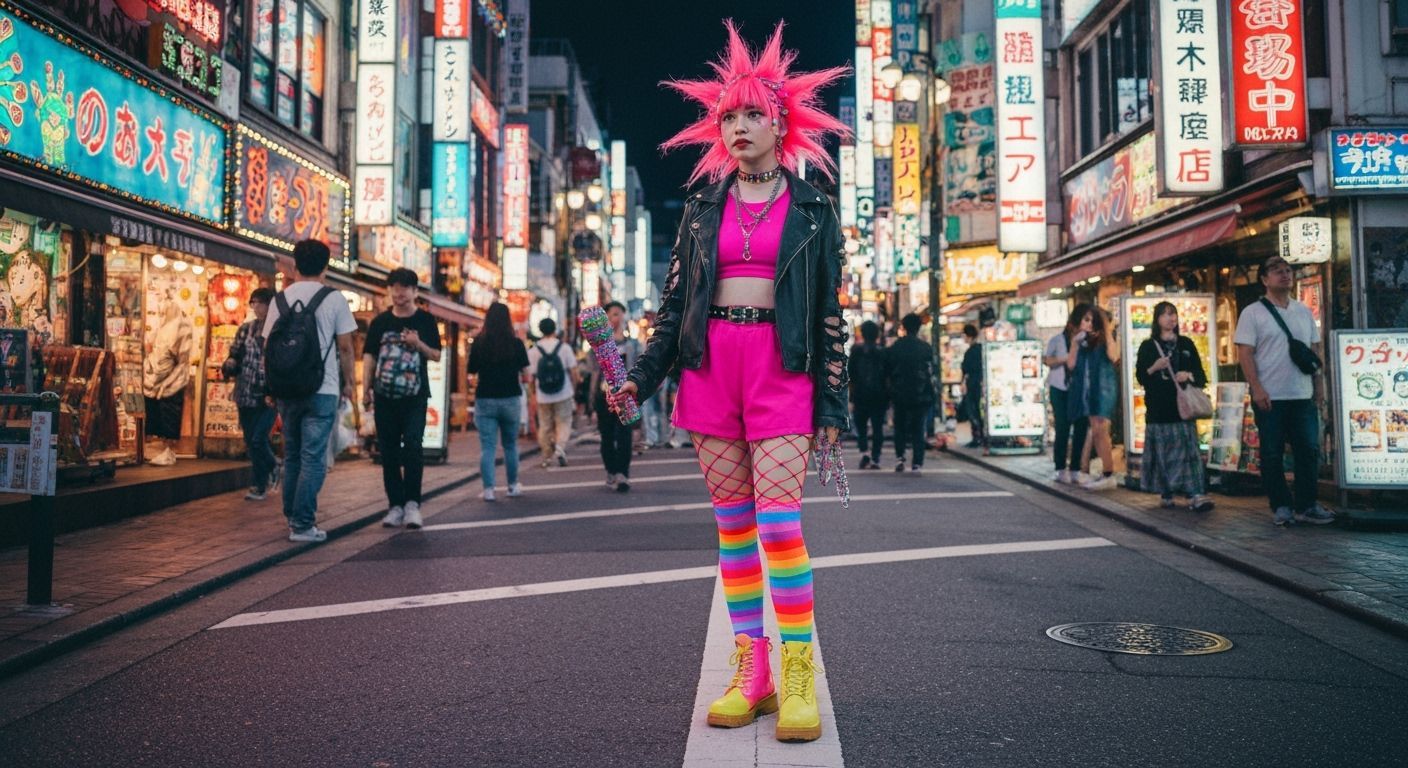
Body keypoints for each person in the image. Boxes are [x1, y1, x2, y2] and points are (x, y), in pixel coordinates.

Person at [609, 23, 848, 743]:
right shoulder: (700, 209)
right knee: (735, 530)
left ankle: (798, 672)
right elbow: (673, 308)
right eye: (728, 117)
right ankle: (754, 672)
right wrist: (639, 381)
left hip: (781, 368)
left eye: (753, 114)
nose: (739, 126)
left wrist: (832, 400)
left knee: (778, 525)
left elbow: (829, 313)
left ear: (781, 123)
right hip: (711, 368)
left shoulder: (815, 207)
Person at [263, 239, 357, 543]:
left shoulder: (280, 300)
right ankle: (303, 524)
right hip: (323, 388)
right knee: (313, 457)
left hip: (286, 389)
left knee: (292, 454)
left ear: (294, 265)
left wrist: (270, 387)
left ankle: (293, 516)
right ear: (325, 267)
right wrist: (350, 383)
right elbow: (346, 347)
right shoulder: (334, 299)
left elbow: (268, 349)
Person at [1236, 255, 1333, 526]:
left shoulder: (1303, 311)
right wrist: (1256, 388)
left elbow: (1314, 351)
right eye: (1277, 271)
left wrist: (1319, 387)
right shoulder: (1252, 313)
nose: (1285, 274)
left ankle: (1307, 504)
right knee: (1272, 452)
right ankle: (1280, 505)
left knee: (1308, 450)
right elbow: (1245, 353)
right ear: (1264, 280)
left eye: (1288, 270)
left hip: (1301, 393)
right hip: (1270, 395)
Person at [362, 268, 442, 529]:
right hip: (384, 396)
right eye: (394, 287)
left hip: (415, 396)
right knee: (388, 451)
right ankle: (395, 506)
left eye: (405, 288)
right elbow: (369, 356)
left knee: (414, 447)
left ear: (415, 291)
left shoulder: (425, 321)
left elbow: (436, 355)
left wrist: (418, 344)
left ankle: (412, 505)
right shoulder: (380, 322)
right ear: (389, 291)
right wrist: (365, 389)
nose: (399, 293)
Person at [1136, 302, 1214, 511]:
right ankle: (1167, 491)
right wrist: (1154, 367)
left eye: (1173, 314)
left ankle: (1195, 493)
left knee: (1189, 454)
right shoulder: (1148, 346)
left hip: (1183, 409)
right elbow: (1141, 377)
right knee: (1165, 455)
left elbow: (1201, 376)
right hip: (1159, 409)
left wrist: (1188, 375)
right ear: (1157, 319)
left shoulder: (1186, 344)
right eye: (1165, 314)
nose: (1170, 318)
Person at [467, 302, 529, 502]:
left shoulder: (479, 343)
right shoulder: (516, 343)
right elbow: (526, 374)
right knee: (510, 445)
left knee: (488, 447)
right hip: (510, 398)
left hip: (485, 398)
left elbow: (471, 370)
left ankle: (488, 490)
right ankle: (512, 486)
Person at [225, 287, 278, 500]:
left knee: (258, 440)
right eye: (253, 302)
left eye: (260, 303)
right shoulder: (246, 329)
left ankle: (260, 483)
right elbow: (234, 354)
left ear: (270, 305)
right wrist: (230, 363)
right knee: (251, 441)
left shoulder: (279, 330)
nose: (256, 307)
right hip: (245, 392)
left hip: (269, 395)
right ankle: (268, 473)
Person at [588, 301, 642, 491]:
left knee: (625, 435)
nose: (617, 318)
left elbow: (638, 369)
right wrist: (591, 402)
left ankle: (622, 474)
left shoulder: (632, 344)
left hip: (625, 396)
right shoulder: (598, 346)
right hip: (604, 396)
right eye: (613, 314)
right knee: (607, 436)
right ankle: (611, 470)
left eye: (620, 314)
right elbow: (593, 373)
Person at [1067, 306, 1120, 491]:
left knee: (1101, 430)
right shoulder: (1082, 341)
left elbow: (1114, 356)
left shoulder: (1105, 339)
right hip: (1088, 393)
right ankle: (1105, 473)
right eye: (1085, 319)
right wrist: (1075, 344)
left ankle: (1108, 474)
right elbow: (1071, 365)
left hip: (1103, 390)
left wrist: (1107, 330)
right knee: (1096, 432)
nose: (1088, 324)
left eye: (1091, 320)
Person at [142, 289, 193, 466]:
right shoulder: (160, 325)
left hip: (171, 382)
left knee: (169, 415)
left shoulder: (181, 326)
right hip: (154, 380)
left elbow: (182, 360)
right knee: (155, 416)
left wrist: (167, 382)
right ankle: (157, 449)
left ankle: (168, 450)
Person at [885, 313, 936, 473]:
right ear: (919, 327)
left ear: (904, 327)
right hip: (921, 394)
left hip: (899, 393)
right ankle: (917, 462)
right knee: (918, 428)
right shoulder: (925, 347)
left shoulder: (895, 347)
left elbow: (887, 371)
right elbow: (931, 371)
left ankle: (900, 457)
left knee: (899, 426)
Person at [1045, 303, 1090, 483]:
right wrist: (1064, 359)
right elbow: (1047, 360)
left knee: (1081, 427)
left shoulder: (1087, 342)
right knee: (1062, 427)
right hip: (1059, 388)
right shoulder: (1057, 340)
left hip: (1080, 389)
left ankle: (1075, 468)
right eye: (1085, 320)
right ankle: (1060, 467)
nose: (1087, 324)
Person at [527, 317, 580, 468]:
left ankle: (546, 456)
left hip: (542, 394)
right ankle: (560, 448)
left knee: (545, 425)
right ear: (554, 329)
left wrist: (533, 395)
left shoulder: (534, 350)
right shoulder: (564, 348)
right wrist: (574, 388)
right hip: (564, 392)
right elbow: (574, 372)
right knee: (564, 422)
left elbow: (531, 377)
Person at [848, 320, 888, 469]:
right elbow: (887, 375)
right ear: (877, 334)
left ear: (862, 334)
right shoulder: (883, 351)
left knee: (861, 427)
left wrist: (851, 397)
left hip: (860, 394)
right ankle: (876, 458)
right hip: (879, 395)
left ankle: (865, 452)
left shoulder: (856, 350)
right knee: (878, 427)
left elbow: (850, 374)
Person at [960, 323, 984, 448]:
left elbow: (966, 370)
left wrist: (963, 383)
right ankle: (983, 436)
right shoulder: (981, 349)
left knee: (973, 410)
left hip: (972, 384)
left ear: (968, 336)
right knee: (980, 411)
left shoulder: (970, 352)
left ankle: (976, 437)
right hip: (981, 383)